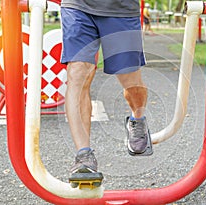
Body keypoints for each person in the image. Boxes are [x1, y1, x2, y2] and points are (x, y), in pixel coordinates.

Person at [60, 0, 152, 185]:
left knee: (131, 82)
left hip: (121, 10)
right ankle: (83, 156)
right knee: (78, 71)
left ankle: (137, 118)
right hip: (77, 6)